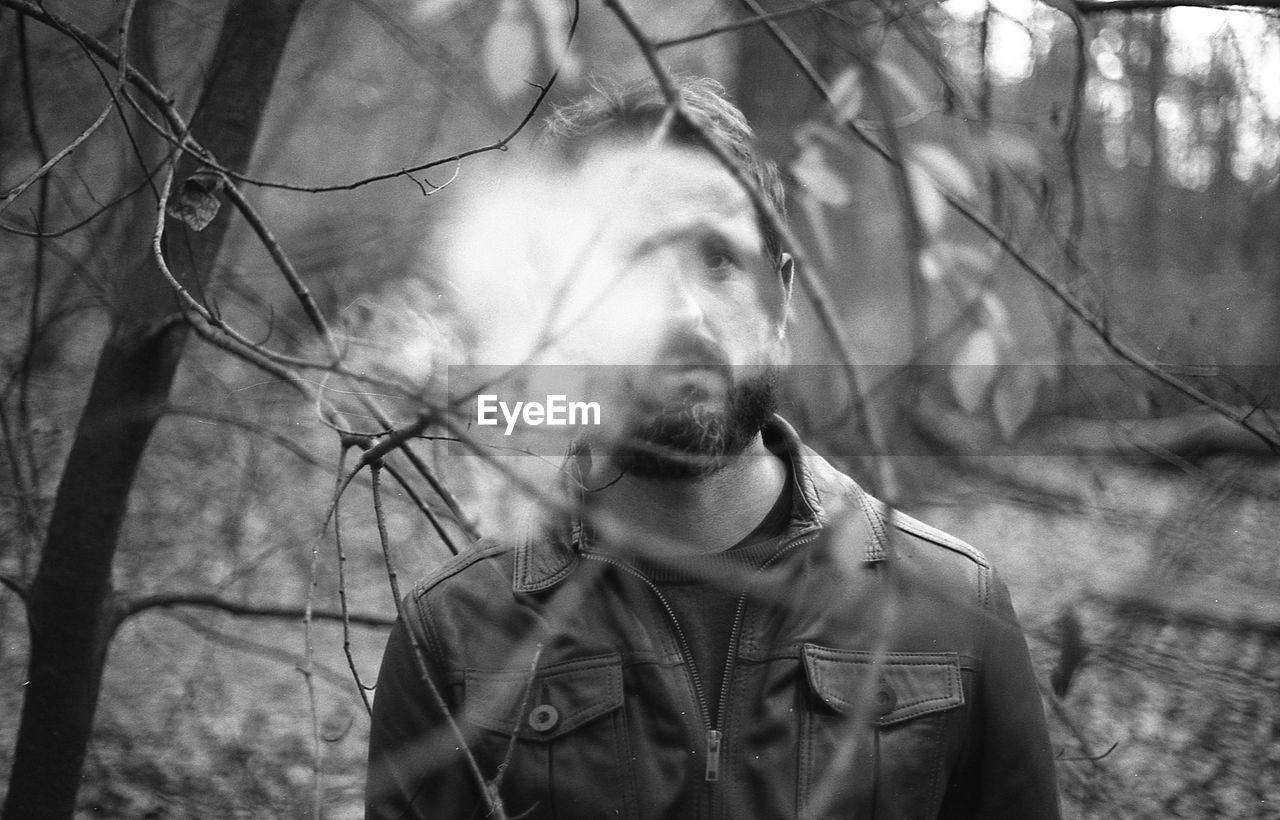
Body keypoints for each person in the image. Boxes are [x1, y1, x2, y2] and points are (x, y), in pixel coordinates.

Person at [365, 77, 1060, 819]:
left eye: (717, 258)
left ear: (782, 299)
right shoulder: (451, 636)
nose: (681, 313)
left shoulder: (953, 608)